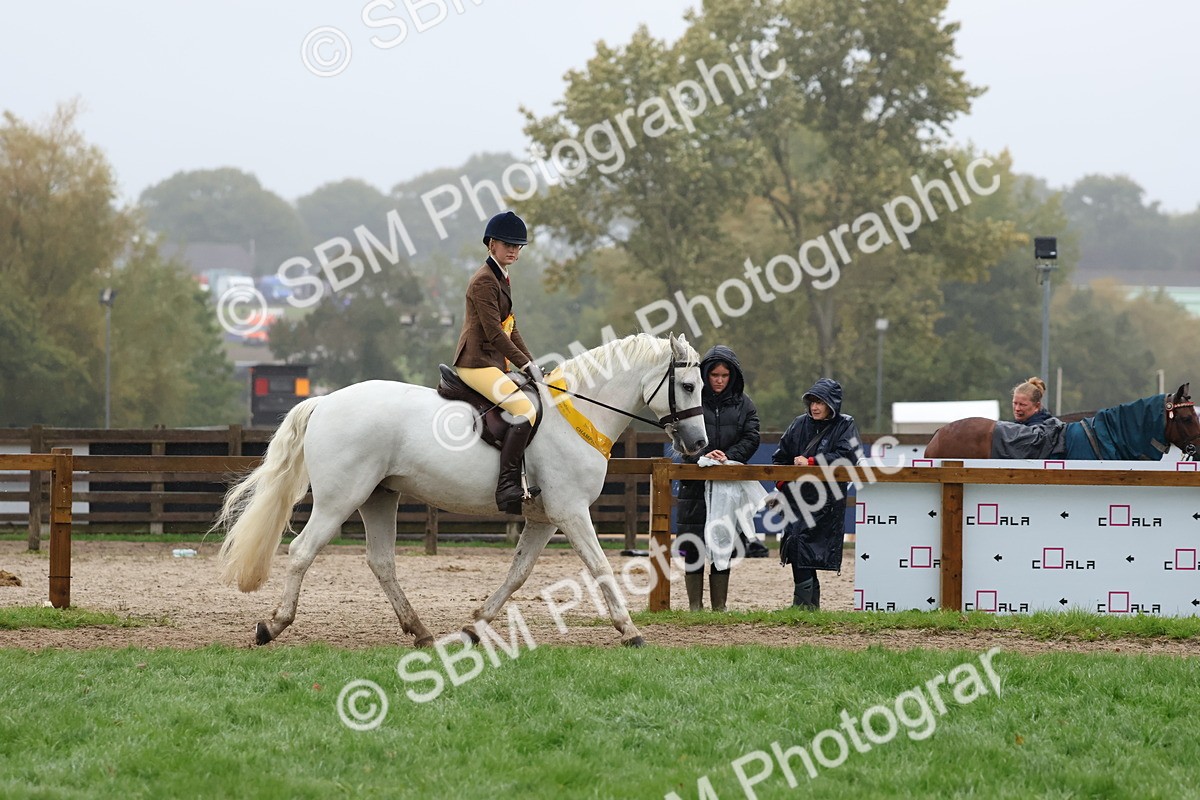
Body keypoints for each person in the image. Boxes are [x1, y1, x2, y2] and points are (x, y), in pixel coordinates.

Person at [453, 210, 541, 515]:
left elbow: (510, 327)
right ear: (491, 244)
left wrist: (531, 363)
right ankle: (506, 486)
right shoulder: (484, 281)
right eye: (508, 245)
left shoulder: (502, 277)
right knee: (524, 409)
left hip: (494, 362)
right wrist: (524, 365)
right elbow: (492, 332)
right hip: (476, 362)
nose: (514, 250)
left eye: (518, 246)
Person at [674, 345, 760, 611]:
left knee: (725, 543)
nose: (720, 380)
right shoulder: (692, 400)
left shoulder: (745, 404)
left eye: (724, 375)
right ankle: (694, 607)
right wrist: (702, 454)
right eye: (715, 375)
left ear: (732, 375)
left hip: (728, 484)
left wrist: (729, 455)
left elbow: (752, 435)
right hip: (694, 484)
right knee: (693, 542)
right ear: (706, 375)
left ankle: (719, 607)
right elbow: (679, 434)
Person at [771, 378, 861, 609]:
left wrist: (811, 461)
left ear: (832, 404)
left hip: (826, 502)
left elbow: (847, 456)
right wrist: (782, 485)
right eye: (812, 401)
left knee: (806, 550)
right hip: (795, 499)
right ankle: (807, 605)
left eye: (820, 402)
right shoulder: (799, 424)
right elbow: (780, 458)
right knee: (795, 546)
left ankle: (806, 605)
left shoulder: (845, 425)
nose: (815, 407)